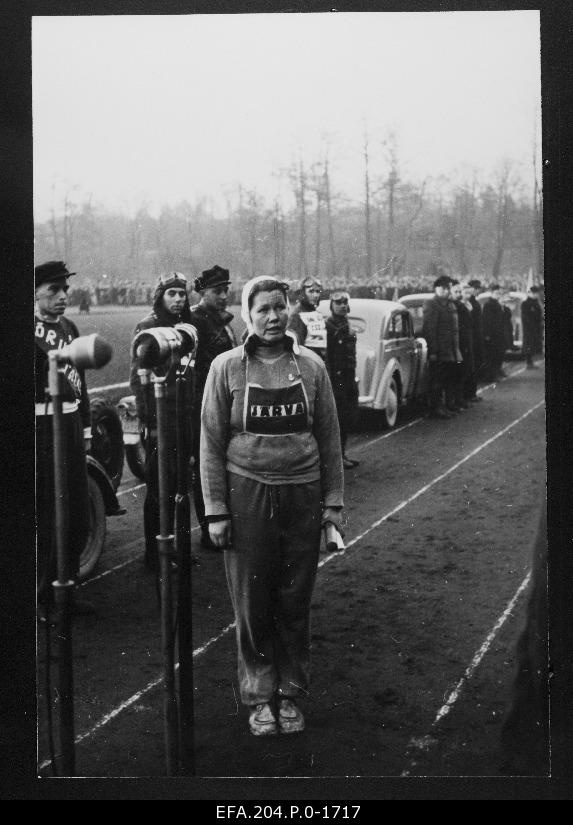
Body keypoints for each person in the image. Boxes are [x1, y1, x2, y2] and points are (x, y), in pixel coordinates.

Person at [200, 276, 344, 737]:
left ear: (289, 310)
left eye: (279, 307)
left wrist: (333, 507)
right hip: (248, 494)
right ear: (248, 314)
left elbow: (329, 438)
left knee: (293, 598)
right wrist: (216, 509)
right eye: (262, 309)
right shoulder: (226, 367)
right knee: (252, 601)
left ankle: (290, 693)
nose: (273, 317)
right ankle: (260, 695)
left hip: (302, 492)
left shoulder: (312, 367)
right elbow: (210, 442)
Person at [129, 272, 196, 573]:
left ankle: (179, 548)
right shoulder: (147, 328)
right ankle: (153, 554)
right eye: (172, 294)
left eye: (182, 294)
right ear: (160, 296)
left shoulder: (188, 328)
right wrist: (148, 420)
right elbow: (138, 381)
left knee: (182, 484)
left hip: (183, 415)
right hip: (159, 417)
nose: (179, 299)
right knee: (158, 489)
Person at [35, 261, 91, 611]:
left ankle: (67, 590)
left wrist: (85, 428)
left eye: (65, 290)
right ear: (35, 292)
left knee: (76, 510)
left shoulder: (70, 326)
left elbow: (80, 383)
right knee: (46, 512)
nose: (62, 297)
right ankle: (43, 596)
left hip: (70, 425)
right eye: (53, 290)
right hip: (41, 426)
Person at [189, 265, 237, 550]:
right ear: (203, 293)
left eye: (225, 290)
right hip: (204, 403)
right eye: (217, 291)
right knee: (208, 467)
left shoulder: (222, 320)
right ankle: (209, 530)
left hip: (227, 400)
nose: (224, 296)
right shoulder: (195, 322)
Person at [325, 288, 360, 469]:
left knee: (347, 417)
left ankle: (342, 453)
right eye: (338, 303)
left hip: (348, 376)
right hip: (335, 378)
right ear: (331, 305)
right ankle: (336, 458)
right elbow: (328, 356)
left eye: (345, 303)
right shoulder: (328, 327)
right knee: (337, 419)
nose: (342, 306)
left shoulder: (347, 325)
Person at [421, 274, 462, 418]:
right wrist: (433, 351)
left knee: (447, 379)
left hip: (449, 349)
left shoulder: (448, 304)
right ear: (436, 288)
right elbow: (430, 329)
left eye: (448, 288)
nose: (446, 291)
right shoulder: (431, 304)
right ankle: (436, 408)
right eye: (444, 288)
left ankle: (445, 406)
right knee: (437, 381)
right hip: (438, 350)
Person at [286, 276, 327, 360]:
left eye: (317, 291)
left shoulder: (318, 314)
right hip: (307, 364)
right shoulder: (297, 315)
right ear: (303, 293)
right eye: (311, 291)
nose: (315, 295)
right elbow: (296, 347)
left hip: (320, 363)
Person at [450, 280, 474, 409]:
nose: (459, 294)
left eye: (460, 292)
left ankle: (460, 399)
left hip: (464, 343)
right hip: (456, 345)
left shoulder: (461, 306)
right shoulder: (452, 306)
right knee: (456, 374)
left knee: (462, 372)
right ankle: (456, 400)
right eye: (457, 292)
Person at [481, 284, 507, 381]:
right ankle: (492, 375)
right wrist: (487, 334)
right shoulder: (488, 305)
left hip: (499, 334)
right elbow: (486, 320)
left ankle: (497, 372)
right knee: (493, 356)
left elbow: (504, 317)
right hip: (492, 335)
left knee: (499, 354)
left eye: (499, 293)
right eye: (496, 293)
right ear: (491, 293)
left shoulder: (498, 304)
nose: (498, 295)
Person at [465, 279, 484, 401]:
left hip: (476, 336)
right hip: (473, 336)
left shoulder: (474, 302)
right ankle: (470, 394)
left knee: (475, 366)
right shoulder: (469, 302)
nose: (477, 291)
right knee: (471, 367)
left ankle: (472, 393)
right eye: (475, 288)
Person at [521, 286, 544, 369]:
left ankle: (531, 362)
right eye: (533, 293)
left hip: (536, 327)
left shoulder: (536, 302)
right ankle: (528, 363)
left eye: (536, 293)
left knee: (533, 345)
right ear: (529, 293)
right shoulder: (525, 303)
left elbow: (539, 314)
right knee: (529, 345)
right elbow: (526, 316)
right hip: (529, 328)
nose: (535, 294)